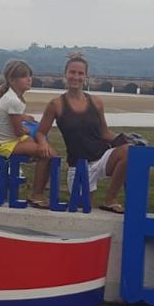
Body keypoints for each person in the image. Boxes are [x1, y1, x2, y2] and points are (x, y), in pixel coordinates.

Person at [36, 53, 128, 214]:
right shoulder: (56, 104)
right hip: (78, 165)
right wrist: (43, 143)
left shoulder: (96, 102)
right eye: (72, 72)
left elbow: (104, 132)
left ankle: (110, 199)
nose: (76, 77)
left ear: (86, 76)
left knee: (129, 152)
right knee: (82, 210)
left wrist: (123, 139)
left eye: (80, 73)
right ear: (65, 74)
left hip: (102, 157)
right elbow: (41, 133)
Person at [0, 59, 56, 208]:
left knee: (44, 148)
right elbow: (18, 132)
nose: (29, 79)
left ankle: (40, 185)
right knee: (47, 153)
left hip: (8, 139)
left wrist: (24, 118)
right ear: (12, 80)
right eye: (24, 76)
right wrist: (27, 130)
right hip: (4, 144)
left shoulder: (12, 97)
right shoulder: (14, 101)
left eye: (29, 76)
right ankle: (37, 194)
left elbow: (13, 119)